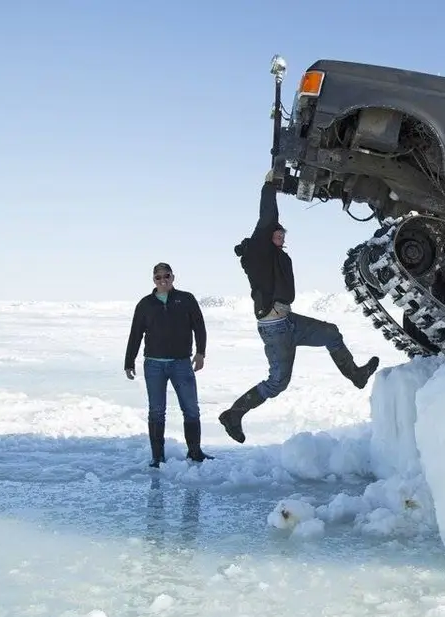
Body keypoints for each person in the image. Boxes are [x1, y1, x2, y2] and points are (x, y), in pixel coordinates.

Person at [218, 170, 380, 444]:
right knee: (278, 382)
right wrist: (269, 186)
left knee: (331, 332)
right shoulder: (260, 250)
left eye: (283, 232)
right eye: (277, 231)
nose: (281, 233)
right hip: (274, 327)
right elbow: (267, 216)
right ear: (267, 235)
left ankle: (356, 375)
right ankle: (234, 414)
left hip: (288, 321)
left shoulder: (277, 254)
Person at [124, 262, 210, 467]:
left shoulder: (186, 299)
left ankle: (195, 452)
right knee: (156, 410)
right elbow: (135, 334)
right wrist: (129, 361)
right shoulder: (145, 304)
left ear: (173, 277)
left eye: (166, 276)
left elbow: (199, 326)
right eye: (158, 277)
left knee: (191, 409)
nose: (163, 280)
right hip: (154, 365)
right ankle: (157, 457)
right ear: (153, 280)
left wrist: (200, 353)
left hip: (181, 363)